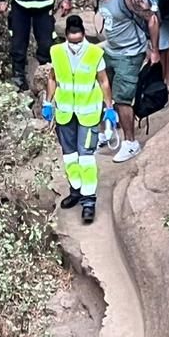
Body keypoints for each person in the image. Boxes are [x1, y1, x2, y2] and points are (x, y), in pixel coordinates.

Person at [84, 0, 161, 163]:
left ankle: (130, 142)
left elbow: (152, 19)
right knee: (98, 86)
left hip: (130, 52)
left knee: (122, 97)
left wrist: (154, 50)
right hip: (111, 49)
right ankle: (105, 132)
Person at [42, 14, 116, 224]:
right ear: (66, 36)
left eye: (79, 40)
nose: (75, 44)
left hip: (88, 114)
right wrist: (48, 102)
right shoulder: (57, 52)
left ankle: (89, 200)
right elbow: (53, 78)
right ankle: (75, 190)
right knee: (70, 157)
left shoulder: (94, 53)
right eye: (71, 40)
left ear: (83, 35)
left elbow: (103, 82)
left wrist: (109, 108)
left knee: (86, 158)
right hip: (65, 113)